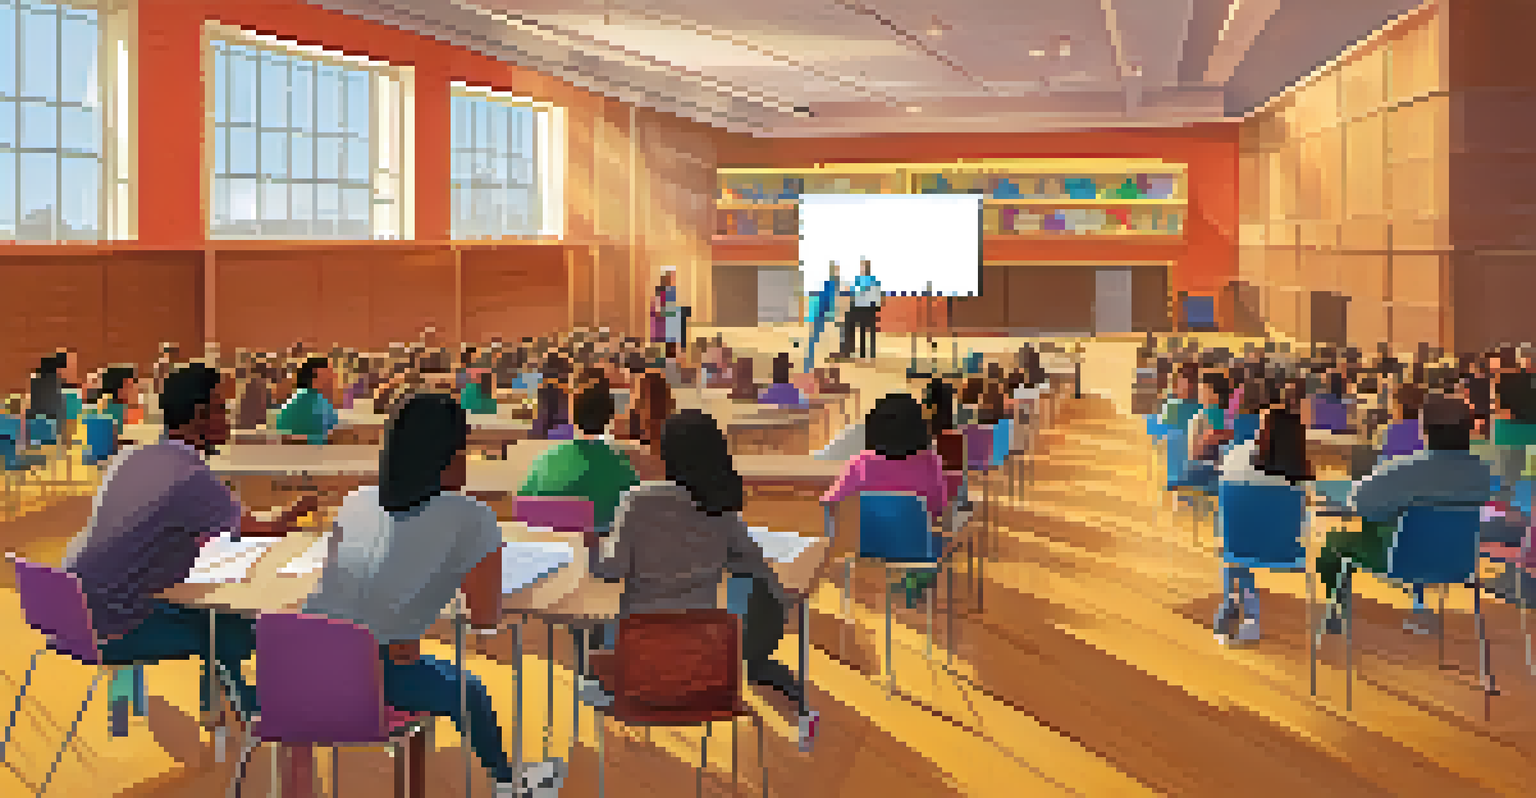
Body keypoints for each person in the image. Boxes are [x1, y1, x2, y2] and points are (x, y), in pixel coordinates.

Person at [303, 394, 565, 796]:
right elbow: (484, 618)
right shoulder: (472, 517)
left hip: (306, 669)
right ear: (448, 456)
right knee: (472, 692)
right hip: (375, 676)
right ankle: (507, 783)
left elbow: (351, 588)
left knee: (431, 669)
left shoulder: (355, 501)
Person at [60, 363, 317, 720]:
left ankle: (221, 703)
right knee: (227, 621)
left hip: (69, 611)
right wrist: (300, 509)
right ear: (199, 415)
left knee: (214, 612)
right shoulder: (191, 475)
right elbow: (263, 530)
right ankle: (252, 711)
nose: (227, 417)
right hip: (113, 625)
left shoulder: (133, 457)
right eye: (220, 409)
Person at [590, 409, 816, 748]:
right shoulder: (721, 510)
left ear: (665, 454)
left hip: (637, 667)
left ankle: (590, 685)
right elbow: (754, 558)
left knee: (590, 626)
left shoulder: (636, 502)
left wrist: (591, 547)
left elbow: (611, 570)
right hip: (703, 669)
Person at [1316, 395, 1492, 635]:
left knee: (1337, 541)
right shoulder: (1483, 472)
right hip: (1459, 563)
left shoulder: (1404, 468)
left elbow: (1359, 502)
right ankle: (1419, 606)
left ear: (1424, 430)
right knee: (1416, 528)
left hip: (1400, 560)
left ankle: (1336, 613)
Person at [822, 393, 952, 608]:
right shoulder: (930, 462)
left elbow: (833, 503)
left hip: (867, 546)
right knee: (936, 536)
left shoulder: (859, 463)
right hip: (918, 546)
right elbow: (939, 508)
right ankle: (916, 577)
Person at [1214, 409, 1313, 642]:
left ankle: (1239, 606)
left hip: (1238, 547)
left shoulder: (1235, 456)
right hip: (1286, 552)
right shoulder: (1298, 474)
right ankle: (1244, 612)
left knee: (1236, 547)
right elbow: (1302, 521)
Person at [519, 382, 639, 531]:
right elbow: (633, 515)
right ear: (610, 417)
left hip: (550, 547)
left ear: (572, 415)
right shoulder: (622, 466)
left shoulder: (544, 461)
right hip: (601, 550)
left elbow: (523, 509)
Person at [272, 357, 339, 444]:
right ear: (314, 380)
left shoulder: (292, 402)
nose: (333, 381)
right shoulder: (320, 404)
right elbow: (332, 434)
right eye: (329, 377)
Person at [805, 261, 842, 371]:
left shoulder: (832, 285)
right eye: (836, 271)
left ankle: (812, 363)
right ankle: (809, 364)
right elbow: (828, 300)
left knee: (818, 338)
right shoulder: (831, 285)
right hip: (821, 314)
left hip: (823, 314)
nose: (837, 273)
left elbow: (829, 300)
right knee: (815, 338)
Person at [848, 258, 882, 359]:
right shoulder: (859, 280)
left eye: (864, 267)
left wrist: (876, 307)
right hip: (861, 308)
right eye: (862, 267)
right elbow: (854, 294)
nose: (863, 269)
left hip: (867, 308)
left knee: (869, 331)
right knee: (864, 330)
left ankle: (869, 352)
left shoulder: (872, 280)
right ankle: (863, 353)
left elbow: (876, 294)